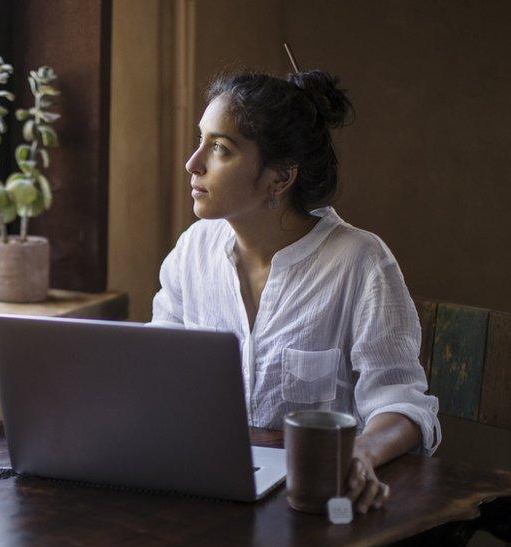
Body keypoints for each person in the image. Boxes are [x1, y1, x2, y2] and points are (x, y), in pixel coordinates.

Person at [152, 69, 441, 514]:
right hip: (205, 491)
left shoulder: (359, 262)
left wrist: (359, 454)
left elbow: (402, 406)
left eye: (220, 149)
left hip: (313, 503)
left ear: (280, 178)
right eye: (200, 139)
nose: (193, 163)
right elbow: (156, 369)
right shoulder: (193, 250)